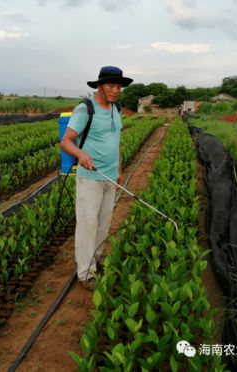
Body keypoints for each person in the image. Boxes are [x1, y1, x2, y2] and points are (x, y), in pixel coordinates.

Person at [60, 66, 133, 289]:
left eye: (119, 86)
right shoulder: (85, 109)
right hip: (90, 177)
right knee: (87, 224)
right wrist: (81, 154)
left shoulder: (116, 108)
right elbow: (66, 141)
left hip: (110, 176)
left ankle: (96, 259)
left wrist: (119, 170)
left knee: (103, 223)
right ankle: (85, 273)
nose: (116, 90)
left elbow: (115, 141)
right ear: (100, 86)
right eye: (111, 85)